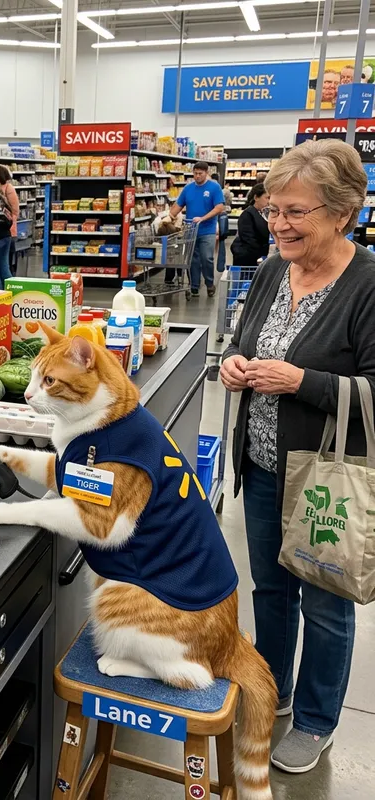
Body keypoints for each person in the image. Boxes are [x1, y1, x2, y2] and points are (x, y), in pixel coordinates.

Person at [220, 138, 375, 775]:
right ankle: (272, 688)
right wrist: (233, 364)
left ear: (342, 214)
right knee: (271, 589)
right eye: (272, 209)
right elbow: (242, 339)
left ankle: (314, 721)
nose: (278, 224)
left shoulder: (367, 284)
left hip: (324, 481)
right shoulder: (269, 271)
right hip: (262, 466)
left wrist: (302, 382)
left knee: (326, 605)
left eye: (295, 212)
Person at [166, 161, 225, 296]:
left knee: (207, 258)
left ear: (206, 173)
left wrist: (203, 218)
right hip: (191, 230)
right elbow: (178, 205)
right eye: (195, 173)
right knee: (193, 259)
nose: (197, 176)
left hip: (207, 230)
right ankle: (194, 286)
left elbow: (219, 207)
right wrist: (168, 217)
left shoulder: (214, 187)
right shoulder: (188, 188)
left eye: (200, 173)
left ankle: (209, 284)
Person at [231, 184, 270, 266]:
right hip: (248, 259)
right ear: (256, 198)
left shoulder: (264, 213)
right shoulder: (247, 214)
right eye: (267, 198)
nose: (269, 201)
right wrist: (264, 252)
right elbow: (248, 239)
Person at [0, 164, 20, 275]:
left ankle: (9, 282)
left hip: (9, 231)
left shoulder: (8, 188)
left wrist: (7, 221)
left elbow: (15, 211)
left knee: (7, 263)